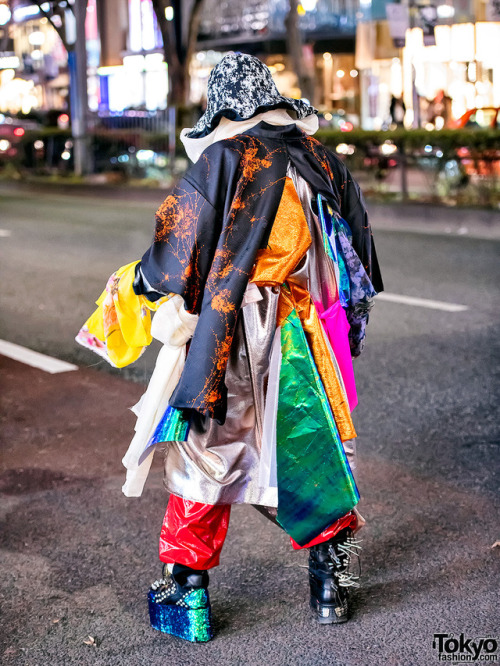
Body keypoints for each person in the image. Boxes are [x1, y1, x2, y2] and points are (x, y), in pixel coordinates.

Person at [78, 53, 383, 643]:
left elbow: (176, 252)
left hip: (228, 332)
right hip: (301, 331)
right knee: (307, 452)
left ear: (223, 108)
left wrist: (137, 283)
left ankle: (186, 595)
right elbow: (357, 255)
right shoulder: (321, 160)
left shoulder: (222, 159)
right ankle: (329, 587)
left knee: (203, 455)